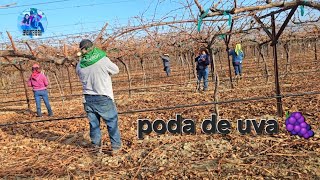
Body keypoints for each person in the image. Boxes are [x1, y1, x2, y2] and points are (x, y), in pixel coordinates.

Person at [76, 39, 121, 154]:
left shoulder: (80, 64)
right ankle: (115, 148)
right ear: (93, 47)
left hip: (88, 98)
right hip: (103, 96)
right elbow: (116, 70)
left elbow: (80, 77)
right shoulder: (103, 60)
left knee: (94, 125)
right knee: (112, 123)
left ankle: (96, 149)